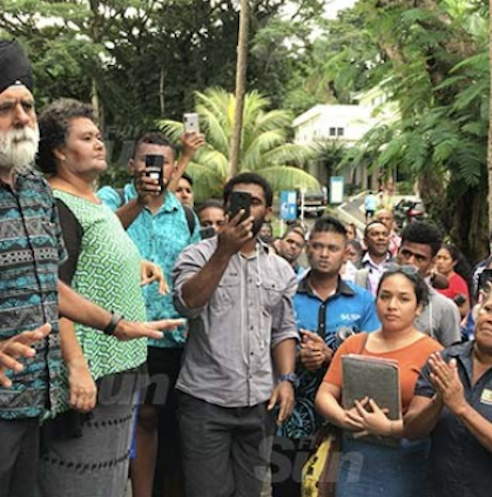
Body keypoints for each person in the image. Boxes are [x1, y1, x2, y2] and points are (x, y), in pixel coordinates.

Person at [0, 40, 178, 497]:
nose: (24, 118)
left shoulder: (31, 187)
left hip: (31, 407)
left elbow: (46, 283)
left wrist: (113, 325)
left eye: (27, 105)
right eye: (6, 108)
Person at [36, 99, 169, 497]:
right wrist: (75, 366)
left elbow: (98, 252)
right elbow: (52, 291)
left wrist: (135, 264)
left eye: (98, 136)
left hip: (118, 370)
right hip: (90, 373)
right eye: (87, 137)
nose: (99, 144)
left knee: (110, 478)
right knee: (80, 477)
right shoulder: (58, 205)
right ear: (59, 151)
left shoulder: (90, 201)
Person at [173, 172, 298, 497]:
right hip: (205, 401)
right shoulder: (197, 255)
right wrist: (223, 251)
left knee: (250, 492)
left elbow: (283, 329)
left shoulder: (281, 269)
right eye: (238, 201)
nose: (246, 209)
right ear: (227, 206)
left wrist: (286, 379)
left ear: (267, 212)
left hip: (259, 402)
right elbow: (188, 304)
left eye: (255, 202)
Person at [97, 132, 200, 497]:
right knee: (114, 421)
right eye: (145, 161)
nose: (151, 169)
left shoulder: (186, 216)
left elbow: (193, 276)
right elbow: (99, 238)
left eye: (161, 162)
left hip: (169, 337)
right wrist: (139, 200)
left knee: (157, 420)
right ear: (131, 165)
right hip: (113, 333)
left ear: (173, 169)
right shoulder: (111, 199)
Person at [405, 287, 492, 497]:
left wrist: (461, 408)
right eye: (489, 309)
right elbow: (412, 430)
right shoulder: (444, 361)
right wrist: (438, 402)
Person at [273, 217, 379, 496]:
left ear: (347, 253)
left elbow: (373, 356)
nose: (323, 254)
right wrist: (297, 358)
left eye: (332, 248)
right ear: (308, 248)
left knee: (336, 488)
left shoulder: (363, 301)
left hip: (344, 419)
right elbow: (265, 345)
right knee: (286, 487)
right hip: (289, 416)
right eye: (318, 246)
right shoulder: (286, 293)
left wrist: (331, 356)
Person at [315, 266, 443, 496]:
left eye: (403, 299)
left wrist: (389, 428)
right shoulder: (354, 344)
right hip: (355, 458)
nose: (392, 305)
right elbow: (325, 394)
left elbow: (427, 417)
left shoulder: (433, 353)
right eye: (385, 296)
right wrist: (343, 418)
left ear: (419, 308)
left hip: (406, 460)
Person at [397, 221, 461, 346]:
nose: (410, 262)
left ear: (432, 263)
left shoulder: (445, 308)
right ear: (397, 252)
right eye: (406, 254)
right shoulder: (380, 299)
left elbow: (452, 357)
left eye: (419, 258)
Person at [354, 220, 393, 296]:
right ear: (365, 241)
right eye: (375, 234)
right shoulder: (355, 266)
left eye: (385, 234)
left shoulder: (398, 265)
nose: (381, 238)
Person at [434, 244, 471, 317]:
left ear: (454, 262)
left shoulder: (458, 282)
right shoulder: (431, 279)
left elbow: (465, 310)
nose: (440, 262)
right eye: (438, 258)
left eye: (445, 258)